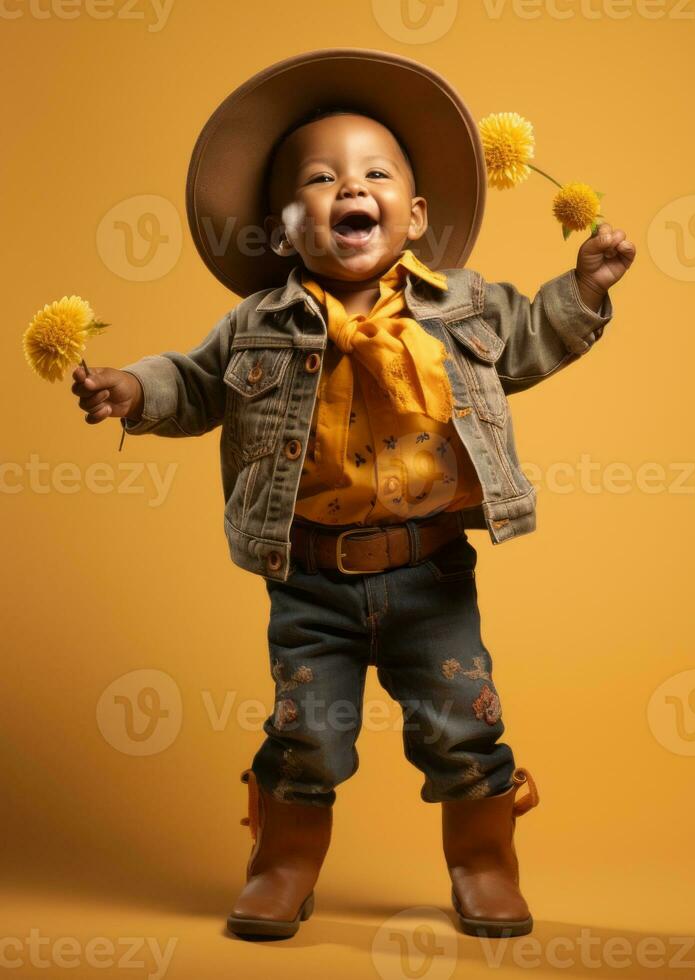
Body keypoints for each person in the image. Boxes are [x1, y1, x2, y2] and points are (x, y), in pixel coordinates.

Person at [69, 49, 635, 941]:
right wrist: (134, 392)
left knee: (462, 727)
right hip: (310, 581)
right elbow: (197, 380)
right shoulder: (257, 324)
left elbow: (530, 338)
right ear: (282, 226)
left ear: (412, 216)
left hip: (430, 575)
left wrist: (587, 289)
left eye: (374, 174)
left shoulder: (461, 311)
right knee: (308, 737)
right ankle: (284, 862)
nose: (349, 188)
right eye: (321, 179)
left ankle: (482, 862)